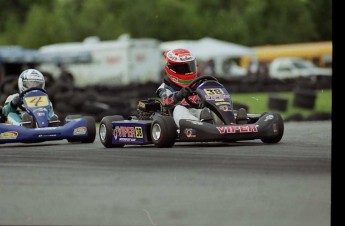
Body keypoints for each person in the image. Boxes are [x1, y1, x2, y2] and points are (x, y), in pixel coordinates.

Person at [156, 49, 220, 127]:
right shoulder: (165, 87)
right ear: (171, 69)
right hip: (175, 118)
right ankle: (197, 127)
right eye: (182, 68)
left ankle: (226, 124)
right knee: (179, 109)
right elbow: (166, 102)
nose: (187, 71)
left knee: (213, 109)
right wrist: (179, 95)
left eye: (190, 67)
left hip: (199, 113)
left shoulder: (200, 83)